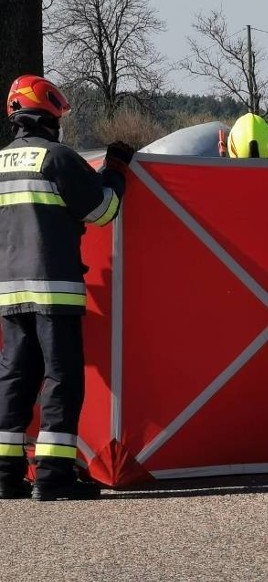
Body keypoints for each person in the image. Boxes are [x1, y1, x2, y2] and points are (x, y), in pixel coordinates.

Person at [0, 75, 133, 501]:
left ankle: (5, 475)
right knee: (62, 377)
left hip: (9, 290)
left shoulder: (0, 162)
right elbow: (103, 211)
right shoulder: (58, 158)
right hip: (54, 288)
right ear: (51, 113)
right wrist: (115, 171)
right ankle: (53, 476)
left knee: (15, 378)